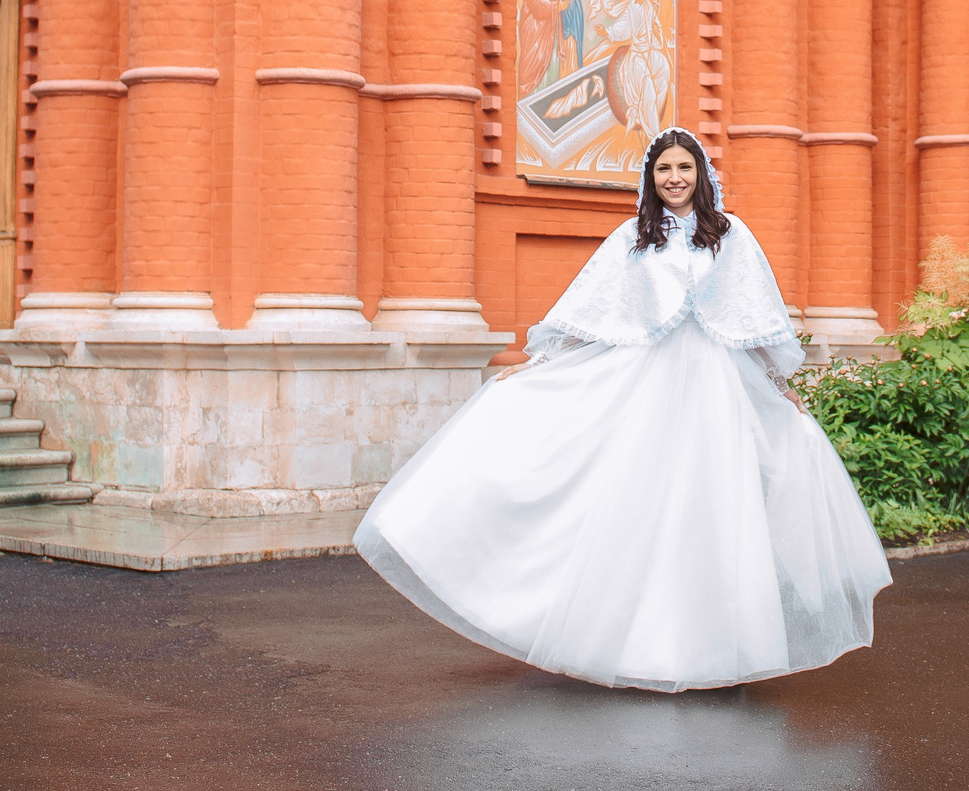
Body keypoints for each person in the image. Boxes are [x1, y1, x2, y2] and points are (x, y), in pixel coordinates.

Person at [356, 127, 890, 691]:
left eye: (685, 168)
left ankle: (713, 647)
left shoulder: (731, 237)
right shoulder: (633, 238)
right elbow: (592, 310)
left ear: (702, 175)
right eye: (665, 170)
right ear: (650, 177)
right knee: (637, 501)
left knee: (708, 505)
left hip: (714, 390)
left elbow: (752, 319)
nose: (675, 179)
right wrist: (538, 366)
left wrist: (780, 386)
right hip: (643, 383)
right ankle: (631, 642)